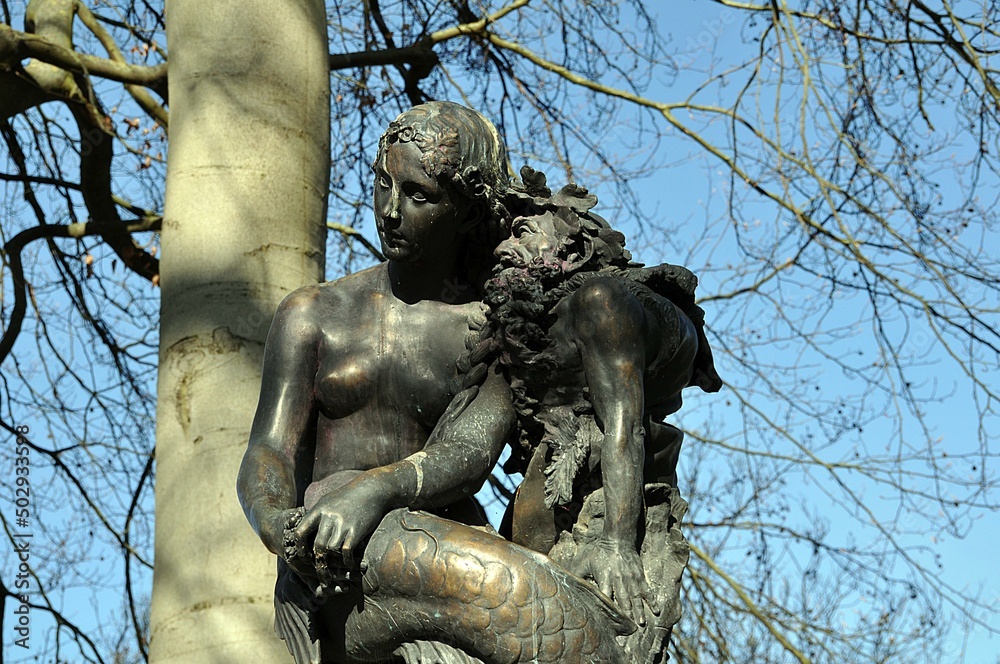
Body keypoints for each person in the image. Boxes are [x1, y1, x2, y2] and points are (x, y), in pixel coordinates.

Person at [237, 103, 632, 664]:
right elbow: (269, 449)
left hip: (443, 553)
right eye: (383, 183)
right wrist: (278, 523)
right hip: (339, 566)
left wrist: (375, 489)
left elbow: (468, 452)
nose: (389, 211)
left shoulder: (493, 323)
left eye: (418, 195)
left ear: (467, 213)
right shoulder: (314, 314)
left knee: (563, 628)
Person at [483, 169, 722, 662]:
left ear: (572, 252)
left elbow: (624, 427)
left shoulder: (600, 302)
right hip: (571, 464)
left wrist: (616, 543)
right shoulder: (527, 324)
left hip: (616, 474)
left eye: (522, 233)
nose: (505, 246)